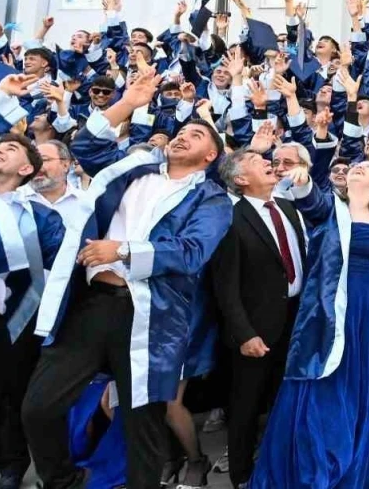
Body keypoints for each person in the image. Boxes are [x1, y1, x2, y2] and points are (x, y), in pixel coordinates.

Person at [22, 64, 231, 489]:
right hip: (92, 304)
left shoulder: (213, 199)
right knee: (39, 407)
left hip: (150, 315)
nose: (182, 136)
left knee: (143, 426)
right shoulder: (134, 169)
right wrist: (128, 103)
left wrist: (121, 250)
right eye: (181, 131)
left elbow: (191, 252)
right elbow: (87, 146)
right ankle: (65, 480)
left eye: (196, 135)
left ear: (211, 156)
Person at [249, 160, 369, 489]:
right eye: (354, 166)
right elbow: (312, 202)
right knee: (324, 382)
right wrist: (302, 183)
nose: (357, 168)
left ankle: (354, 462)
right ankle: (316, 466)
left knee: (360, 383)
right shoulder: (332, 209)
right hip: (327, 313)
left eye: (367, 167)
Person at [210, 148, 309, 489]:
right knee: (246, 406)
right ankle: (242, 476)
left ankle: (281, 468)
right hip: (256, 330)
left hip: (295, 321)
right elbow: (225, 285)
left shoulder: (287, 208)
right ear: (240, 179)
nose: (269, 163)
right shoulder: (230, 218)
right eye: (257, 162)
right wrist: (244, 334)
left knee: (286, 400)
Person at [0, 123, 66, 489]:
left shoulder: (39, 218)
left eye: (11, 149)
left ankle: (11, 465)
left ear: (27, 169)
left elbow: (61, 269)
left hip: (2, 325)